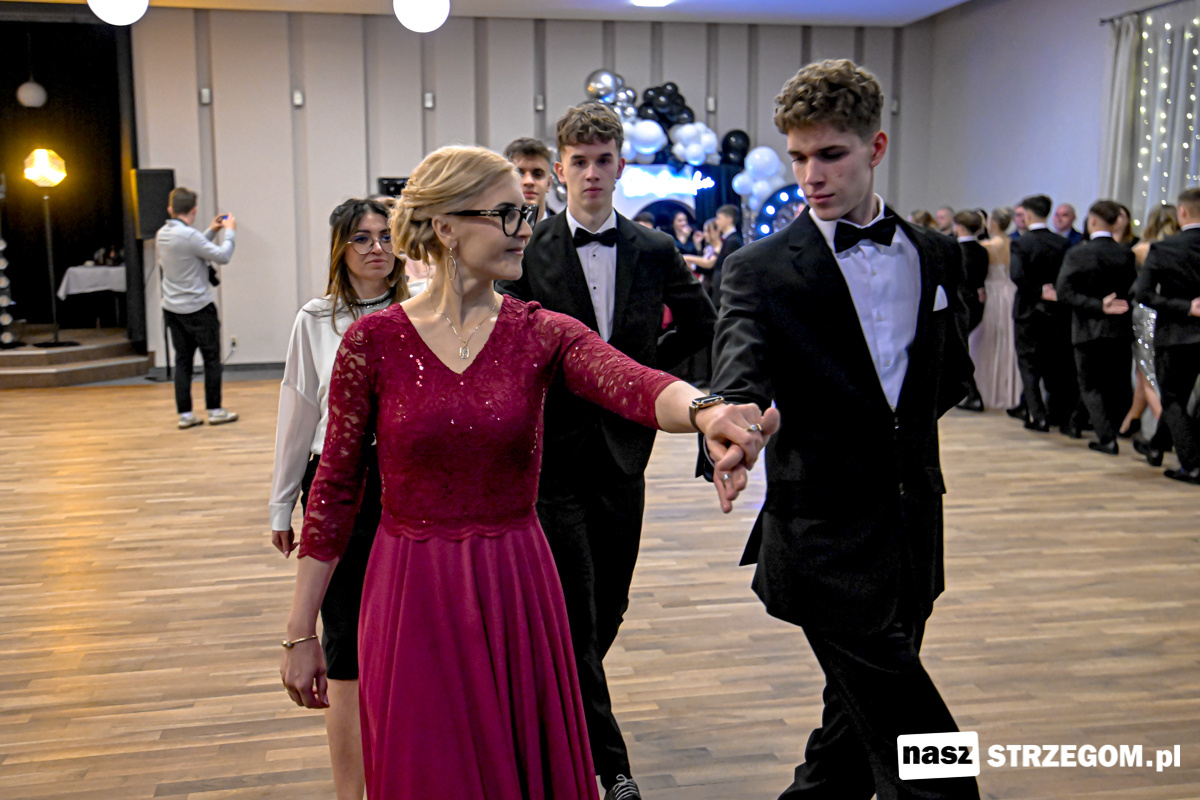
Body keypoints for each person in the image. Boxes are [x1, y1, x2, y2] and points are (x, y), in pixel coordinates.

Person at [280, 144, 773, 800]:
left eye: (528, 214)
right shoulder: (373, 343)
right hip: (412, 588)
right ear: (446, 226)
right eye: (507, 214)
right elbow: (335, 491)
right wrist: (299, 632)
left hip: (516, 580)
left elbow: (630, 380)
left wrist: (706, 409)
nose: (525, 230)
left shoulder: (539, 331)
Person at [702, 59, 979, 800]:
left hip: (913, 525)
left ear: (876, 147)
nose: (810, 176)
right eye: (798, 156)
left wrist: (893, 441)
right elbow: (740, 367)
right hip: (821, 535)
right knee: (935, 764)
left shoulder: (935, 253)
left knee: (846, 745)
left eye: (830, 154)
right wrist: (734, 426)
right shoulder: (759, 268)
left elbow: (946, 376)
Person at [498, 103, 717, 800]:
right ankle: (612, 767)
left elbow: (701, 322)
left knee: (608, 605)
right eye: (579, 161)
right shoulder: (527, 248)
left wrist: (645, 374)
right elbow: (506, 340)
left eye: (602, 160)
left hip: (627, 449)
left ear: (620, 165)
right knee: (573, 607)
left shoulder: (653, 248)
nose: (591, 173)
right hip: (551, 454)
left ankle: (555, 707)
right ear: (560, 169)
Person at [269, 198, 407, 800]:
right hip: (336, 483)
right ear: (340, 249)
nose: (377, 248)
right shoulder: (315, 319)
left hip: (408, 483)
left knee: (408, 635)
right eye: (362, 238)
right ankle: (352, 790)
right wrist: (281, 504)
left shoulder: (421, 311)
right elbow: (297, 411)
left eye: (386, 236)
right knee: (345, 638)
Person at [1054, 200, 1136, 455]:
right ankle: (1078, 423)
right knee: (1112, 383)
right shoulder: (1126, 253)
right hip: (1119, 328)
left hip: (1087, 327)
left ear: (1091, 221)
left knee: (1089, 384)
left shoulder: (1078, 253)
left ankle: (1106, 438)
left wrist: (1098, 305)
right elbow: (1132, 291)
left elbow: (1064, 292)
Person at [1133, 186, 1200, 485]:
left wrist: (1186, 307)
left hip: (1176, 334)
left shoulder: (1164, 248)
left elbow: (1144, 294)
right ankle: (1157, 445)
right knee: (1181, 398)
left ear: (1182, 211)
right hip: (1182, 334)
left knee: (1173, 398)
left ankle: (1192, 464)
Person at [155, 187, 238, 429]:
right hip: (199, 308)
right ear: (194, 210)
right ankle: (215, 410)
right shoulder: (189, 236)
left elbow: (192, 246)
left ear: (170, 209)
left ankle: (185, 415)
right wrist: (230, 232)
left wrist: (212, 230)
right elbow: (222, 256)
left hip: (172, 309)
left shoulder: (162, 234)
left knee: (183, 361)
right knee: (211, 359)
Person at [1010, 193, 1075, 432]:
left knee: (1028, 364)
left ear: (1027, 215)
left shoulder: (1021, 243)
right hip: (1056, 311)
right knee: (1053, 364)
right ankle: (1056, 413)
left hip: (1028, 310)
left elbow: (1017, 275)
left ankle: (1037, 415)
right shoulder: (1062, 243)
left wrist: (1038, 290)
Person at [1125, 204, 1177, 453]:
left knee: (1147, 374)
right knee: (1157, 374)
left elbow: (1135, 287)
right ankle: (1137, 424)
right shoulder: (1178, 249)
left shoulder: (1140, 250)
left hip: (1145, 313)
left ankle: (1166, 433)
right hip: (1170, 313)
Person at [972, 207, 1024, 411]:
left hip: (993, 293)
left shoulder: (985, 246)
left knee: (989, 340)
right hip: (1010, 292)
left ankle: (988, 389)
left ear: (992, 223)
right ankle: (1009, 389)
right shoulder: (1014, 243)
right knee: (1008, 341)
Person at [954, 209, 989, 411]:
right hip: (976, 304)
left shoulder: (957, 249)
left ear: (959, 227)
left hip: (962, 304)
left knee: (960, 351)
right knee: (961, 349)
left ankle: (972, 395)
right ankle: (970, 393)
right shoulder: (982, 250)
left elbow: (961, 280)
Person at [504, 137, 556, 223]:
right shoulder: (491, 228)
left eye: (537, 174)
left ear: (549, 183)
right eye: (518, 173)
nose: (528, 181)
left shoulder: (566, 230)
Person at [707, 204, 744, 309]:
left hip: (724, 291)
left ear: (729, 220)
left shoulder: (733, 241)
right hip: (719, 290)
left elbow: (728, 267)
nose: (716, 222)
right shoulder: (727, 240)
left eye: (719, 218)